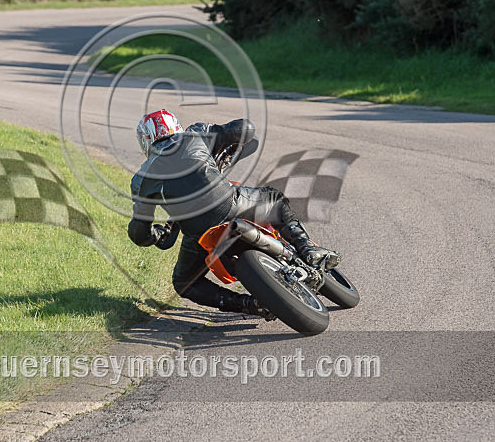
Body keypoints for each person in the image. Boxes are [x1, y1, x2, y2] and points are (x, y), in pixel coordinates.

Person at [127, 109, 341, 319]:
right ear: (175, 126)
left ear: (145, 141)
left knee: (184, 283)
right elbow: (246, 128)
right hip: (229, 203)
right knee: (274, 199)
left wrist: (155, 235)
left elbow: (138, 233)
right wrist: (225, 144)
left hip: (197, 231)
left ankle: (249, 305)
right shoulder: (196, 133)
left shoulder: (140, 179)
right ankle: (308, 248)